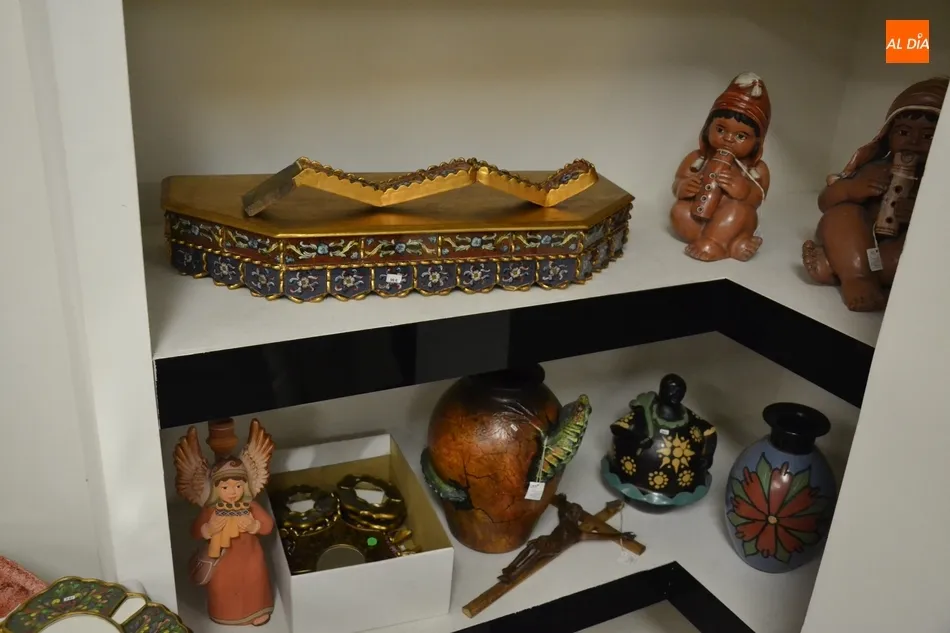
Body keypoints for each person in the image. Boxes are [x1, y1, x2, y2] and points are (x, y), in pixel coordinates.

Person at [670, 72, 772, 262]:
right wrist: (683, 186)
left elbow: (757, 198)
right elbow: (678, 181)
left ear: (757, 143)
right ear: (708, 127)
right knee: (678, 211)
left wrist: (743, 190)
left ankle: (716, 244)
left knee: (739, 211)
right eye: (720, 129)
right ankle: (733, 244)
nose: (728, 139)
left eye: (741, 136)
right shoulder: (698, 158)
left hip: (731, 221)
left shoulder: (757, 170)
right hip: (699, 218)